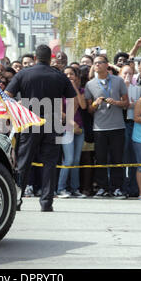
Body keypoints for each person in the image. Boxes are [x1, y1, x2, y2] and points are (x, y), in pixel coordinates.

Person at [5, 44, 77, 212]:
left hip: (29, 122)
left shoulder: (23, 74)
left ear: (35, 58)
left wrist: (17, 111)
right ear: (50, 58)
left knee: (23, 163)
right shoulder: (59, 76)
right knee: (50, 164)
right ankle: (46, 203)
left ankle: (16, 200)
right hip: (53, 123)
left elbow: (7, 96)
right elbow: (73, 98)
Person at [85, 55, 129, 199]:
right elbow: (89, 110)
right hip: (99, 128)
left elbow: (127, 103)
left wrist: (116, 102)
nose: (97, 65)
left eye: (100, 63)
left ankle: (117, 188)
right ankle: (103, 188)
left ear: (106, 65)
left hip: (117, 127)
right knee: (101, 159)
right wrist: (95, 104)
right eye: (95, 63)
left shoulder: (118, 81)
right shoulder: (90, 84)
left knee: (117, 159)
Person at [56, 66, 87, 198]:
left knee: (76, 160)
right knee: (67, 159)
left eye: (71, 74)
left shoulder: (81, 90)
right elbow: (58, 111)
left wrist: (74, 88)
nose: (69, 77)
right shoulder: (59, 92)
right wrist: (71, 122)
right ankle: (61, 188)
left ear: (76, 76)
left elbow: (84, 106)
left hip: (79, 129)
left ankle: (75, 189)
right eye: (66, 74)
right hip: (67, 128)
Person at [119, 64, 139, 197]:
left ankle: (133, 187)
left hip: (133, 124)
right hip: (120, 124)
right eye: (125, 73)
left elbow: (140, 104)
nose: (127, 76)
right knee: (122, 156)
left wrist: (134, 105)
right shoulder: (116, 88)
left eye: (130, 74)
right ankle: (122, 187)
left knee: (133, 156)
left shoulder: (138, 89)